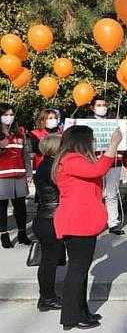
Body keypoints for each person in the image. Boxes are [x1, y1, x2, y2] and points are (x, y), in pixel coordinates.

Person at [53, 125, 124, 330]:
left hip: (82, 221)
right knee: (77, 270)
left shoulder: (75, 159)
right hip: (77, 222)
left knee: (81, 270)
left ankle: (81, 310)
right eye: (91, 139)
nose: (93, 143)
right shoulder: (71, 159)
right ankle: (71, 317)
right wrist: (113, 144)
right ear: (82, 141)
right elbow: (98, 170)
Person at [32, 133, 63, 312]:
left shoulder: (46, 165)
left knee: (49, 261)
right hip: (50, 219)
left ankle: (48, 296)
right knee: (49, 262)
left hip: (46, 217)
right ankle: (47, 298)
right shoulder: (51, 167)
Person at [86, 96, 126, 235]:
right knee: (95, 193)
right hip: (95, 161)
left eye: (104, 104)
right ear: (92, 107)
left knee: (112, 193)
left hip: (114, 162)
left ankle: (113, 222)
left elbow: (122, 141)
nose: (102, 107)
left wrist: (125, 130)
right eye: (99, 105)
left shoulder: (114, 122)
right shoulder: (87, 123)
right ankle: (94, 222)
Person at [0, 104, 31, 248]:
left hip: (19, 175)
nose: (9, 117)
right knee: (2, 207)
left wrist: (29, 173)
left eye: (11, 114)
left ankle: (22, 233)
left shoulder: (20, 133)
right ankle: (4, 235)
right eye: (6, 115)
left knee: (21, 207)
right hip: (2, 177)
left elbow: (25, 154)